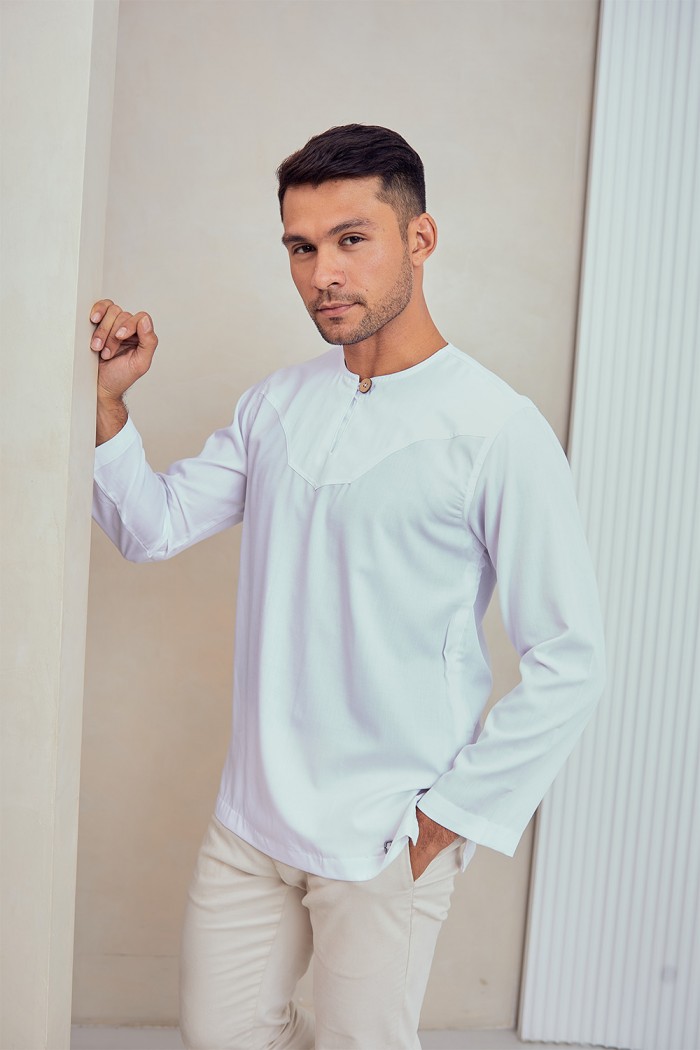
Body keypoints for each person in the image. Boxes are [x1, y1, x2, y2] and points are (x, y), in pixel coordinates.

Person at [89, 124, 605, 1050]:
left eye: (351, 239)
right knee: (220, 1037)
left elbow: (571, 659)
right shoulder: (277, 403)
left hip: (384, 840)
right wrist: (108, 404)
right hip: (252, 823)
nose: (323, 273)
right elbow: (149, 527)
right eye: (301, 247)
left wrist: (443, 824)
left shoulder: (495, 429)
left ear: (420, 238)